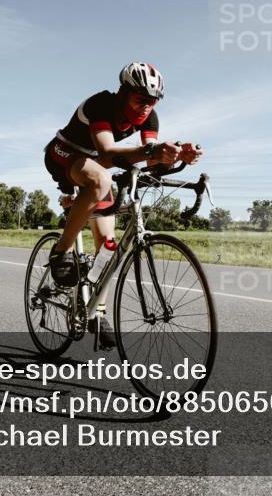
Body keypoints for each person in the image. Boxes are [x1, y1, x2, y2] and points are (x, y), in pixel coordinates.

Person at [43, 63, 202, 346]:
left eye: (152, 102)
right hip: (64, 152)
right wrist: (154, 151)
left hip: (93, 164)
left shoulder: (149, 119)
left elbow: (147, 158)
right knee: (100, 178)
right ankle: (61, 251)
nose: (145, 107)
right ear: (123, 93)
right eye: (140, 99)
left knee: (108, 243)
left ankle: (96, 312)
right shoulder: (102, 104)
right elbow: (106, 153)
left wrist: (175, 157)